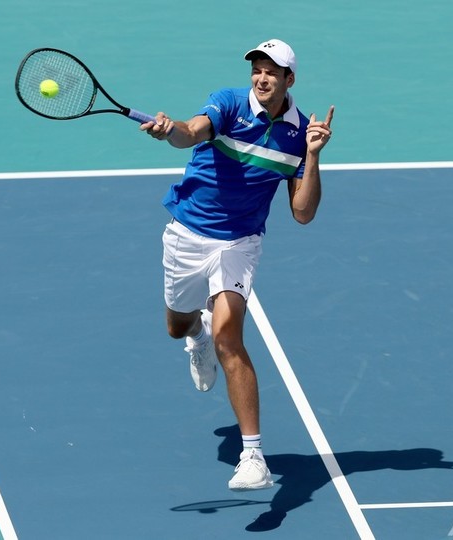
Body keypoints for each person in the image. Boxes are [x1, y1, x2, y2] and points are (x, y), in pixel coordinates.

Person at [140, 39, 334, 491]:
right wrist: (169, 131)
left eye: (272, 72)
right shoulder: (228, 103)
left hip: (239, 243)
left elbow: (303, 213)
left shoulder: (300, 134)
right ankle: (198, 336)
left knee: (231, 339)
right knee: (177, 326)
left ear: (289, 79)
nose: (262, 78)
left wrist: (312, 155)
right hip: (188, 233)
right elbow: (191, 132)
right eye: (257, 70)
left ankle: (253, 457)